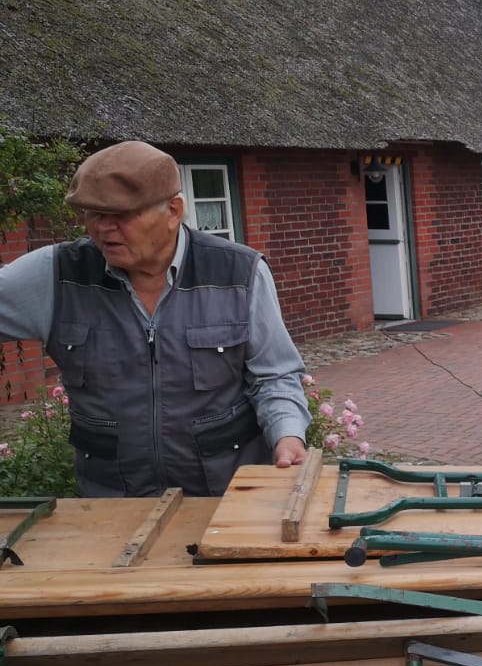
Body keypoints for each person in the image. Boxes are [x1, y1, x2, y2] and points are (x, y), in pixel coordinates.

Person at [0, 140, 310, 497]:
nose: (103, 228)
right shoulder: (55, 275)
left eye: (121, 215)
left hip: (226, 500)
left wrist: (288, 435)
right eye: (93, 214)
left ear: (173, 211)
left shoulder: (239, 273)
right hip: (112, 504)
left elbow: (275, 376)